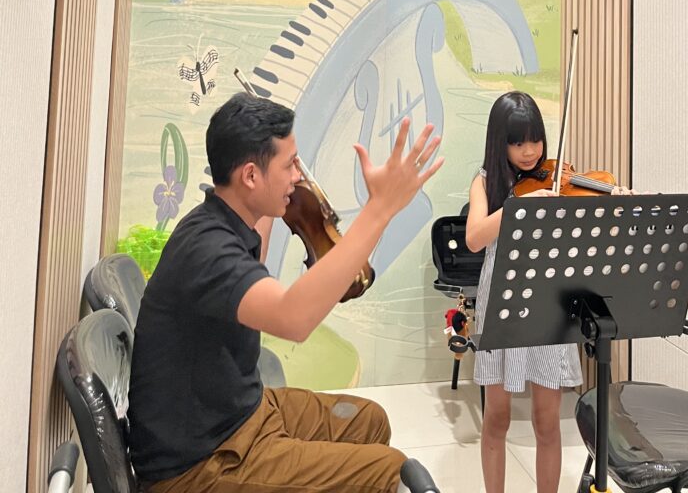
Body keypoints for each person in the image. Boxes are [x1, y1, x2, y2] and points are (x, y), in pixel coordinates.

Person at [128, 91, 443, 493]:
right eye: (290, 164)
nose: (298, 175)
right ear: (250, 176)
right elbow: (293, 319)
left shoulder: (227, 219)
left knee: (370, 420)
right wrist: (380, 208)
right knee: (390, 470)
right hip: (199, 466)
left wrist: (289, 208)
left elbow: (259, 261)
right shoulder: (206, 249)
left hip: (240, 414)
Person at [465, 91, 630, 493]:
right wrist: (517, 208)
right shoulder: (485, 182)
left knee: (547, 420)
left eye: (535, 139)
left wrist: (618, 200)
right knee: (497, 417)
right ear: (499, 142)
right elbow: (474, 238)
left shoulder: (557, 180)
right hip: (503, 302)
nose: (529, 151)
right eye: (517, 142)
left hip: (548, 303)